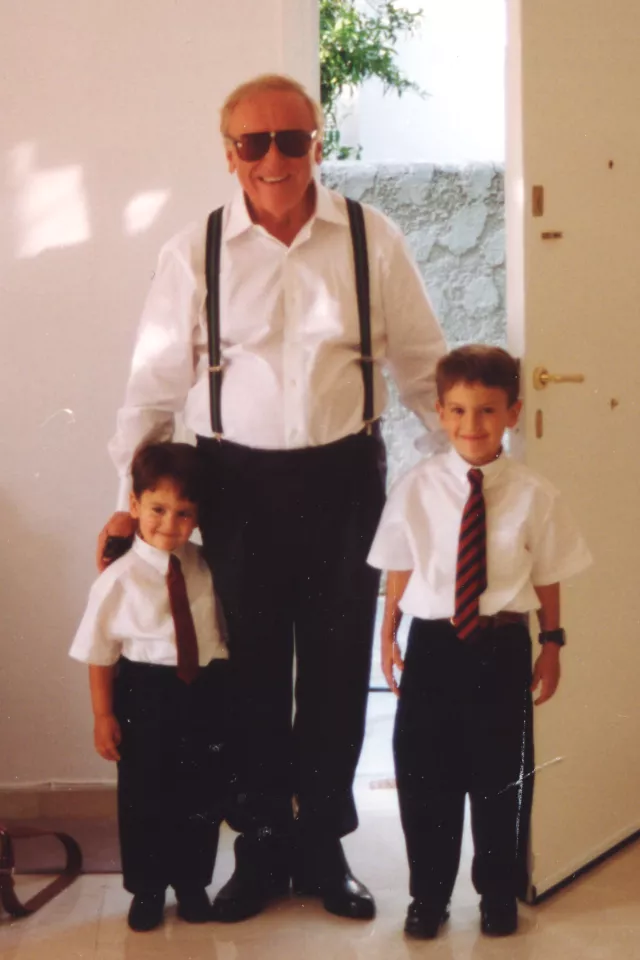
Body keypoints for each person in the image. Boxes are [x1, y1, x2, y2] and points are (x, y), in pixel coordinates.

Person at [99, 73, 446, 923]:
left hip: (342, 478)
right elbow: (152, 387)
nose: (274, 158)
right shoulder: (195, 250)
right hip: (235, 484)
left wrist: (466, 482)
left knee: (333, 670)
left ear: (318, 144)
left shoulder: (372, 238)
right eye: (253, 143)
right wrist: (126, 497)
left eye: (292, 140)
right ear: (229, 153)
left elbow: (425, 370)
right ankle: (258, 847)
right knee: (247, 671)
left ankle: (323, 847)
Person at [368, 345, 592, 939]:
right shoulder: (417, 488)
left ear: (513, 413)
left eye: (488, 411)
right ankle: (429, 896)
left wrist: (553, 643)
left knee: (500, 776)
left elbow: (547, 574)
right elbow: (399, 566)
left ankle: (497, 892)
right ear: (441, 412)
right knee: (423, 776)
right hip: (434, 646)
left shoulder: (534, 493)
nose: (473, 425)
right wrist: (389, 637)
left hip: (500, 648)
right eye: (460, 411)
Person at [72, 442, 229, 932]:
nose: (169, 523)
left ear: (198, 516)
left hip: (202, 692)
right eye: (158, 509)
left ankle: (191, 884)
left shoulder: (207, 567)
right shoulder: (116, 579)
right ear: (135, 505)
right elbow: (100, 653)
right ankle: (148, 888)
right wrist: (103, 715)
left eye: (184, 513)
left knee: (200, 792)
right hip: (145, 693)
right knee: (145, 796)